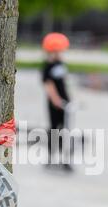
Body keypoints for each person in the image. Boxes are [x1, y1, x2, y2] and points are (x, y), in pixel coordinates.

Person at [41, 32, 72, 171]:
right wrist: (56, 100)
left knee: (65, 130)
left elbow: (64, 83)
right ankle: (51, 158)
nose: (61, 52)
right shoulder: (47, 66)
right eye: (59, 50)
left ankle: (65, 160)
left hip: (66, 103)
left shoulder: (61, 64)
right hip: (55, 104)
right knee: (54, 129)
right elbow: (49, 85)